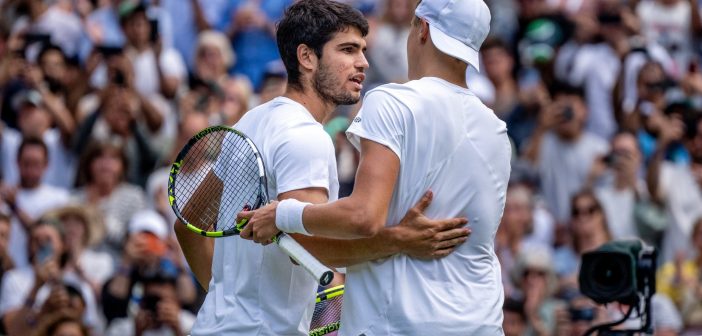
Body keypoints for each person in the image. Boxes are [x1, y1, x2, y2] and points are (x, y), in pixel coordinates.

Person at [175, 1, 470, 335]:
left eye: (362, 50)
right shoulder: (305, 138)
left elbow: (187, 226)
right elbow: (305, 246)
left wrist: (224, 300)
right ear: (307, 57)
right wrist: (398, 240)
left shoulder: (250, 121)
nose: (363, 63)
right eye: (347, 50)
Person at [241, 0, 509, 334]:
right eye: (350, 50)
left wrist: (281, 215)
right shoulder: (497, 130)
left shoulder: (392, 101)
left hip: (397, 326)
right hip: (482, 323)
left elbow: (363, 217)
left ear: (422, 29)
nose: (363, 62)